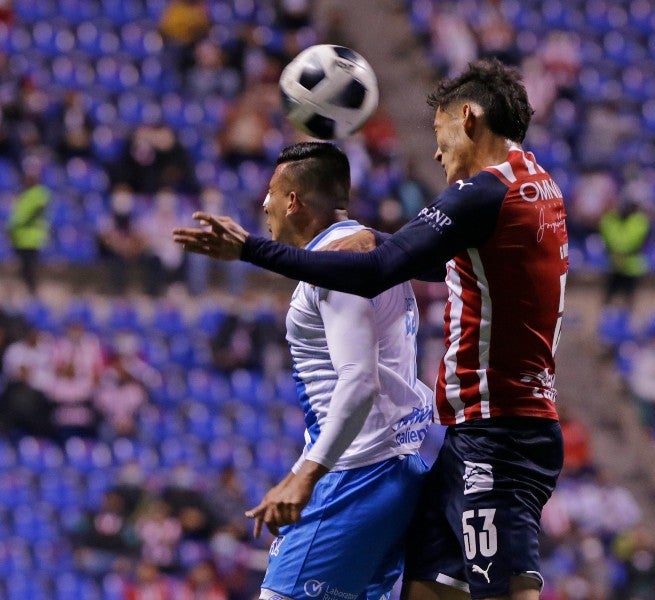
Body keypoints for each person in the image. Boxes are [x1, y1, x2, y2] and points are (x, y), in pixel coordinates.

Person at [174, 58, 568, 600]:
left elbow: (380, 272)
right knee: (429, 588)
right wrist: (365, 237)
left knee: (504, 590)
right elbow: (424, 261)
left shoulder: (483, 193)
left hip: (499, 435)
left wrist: (250, 250)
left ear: (470, 118)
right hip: (466, 435)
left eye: (441, 132)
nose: (436, 151)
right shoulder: (536, 188)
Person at [224, 142, 434, 600]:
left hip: (356, 475)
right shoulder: (369, 251)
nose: (263, 204)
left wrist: (305, 476)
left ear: (293, 201)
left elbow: (359, 382)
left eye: (271, 193)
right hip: (392, 465)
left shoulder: (340, 267)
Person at [6, 158, 50, 295]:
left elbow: (25, 215)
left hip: (31, 240)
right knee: (22, 271)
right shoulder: (24, 194)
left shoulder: (40, 194)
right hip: (19, 239)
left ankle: (33, 294)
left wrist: (13, 223)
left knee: (30, 270)